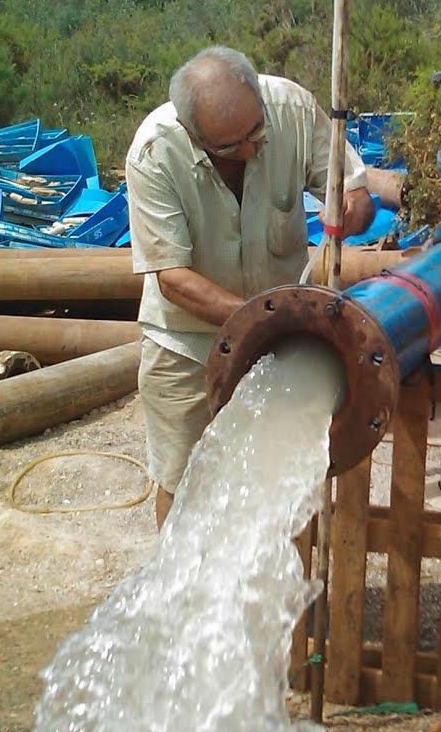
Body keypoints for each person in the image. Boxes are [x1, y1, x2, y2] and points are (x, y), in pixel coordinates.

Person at [126, 46, 373, 526]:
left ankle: (265, 593)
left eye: (256, 132)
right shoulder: (155, 154)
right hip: (187, 345)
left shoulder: (293, 111)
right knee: (183, 483)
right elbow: (173, 279)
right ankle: (186, 597)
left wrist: (350, 206)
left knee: (277, 482)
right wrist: (270, 323)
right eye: (228, 147)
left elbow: (355, 190)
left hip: (283, 345)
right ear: (194, 135)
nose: (249, 149)